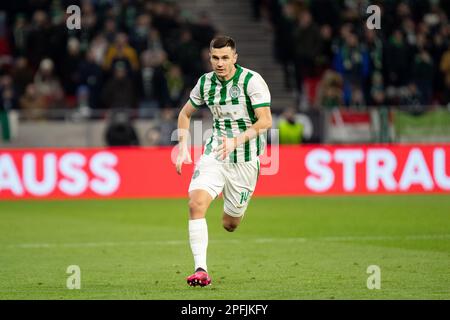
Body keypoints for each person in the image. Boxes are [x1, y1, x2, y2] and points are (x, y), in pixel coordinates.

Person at [175, 36, 272, 287]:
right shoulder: (205, 83)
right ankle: (200, 270)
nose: (220, 63)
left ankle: (229, 199)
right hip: (215, 153)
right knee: (195, 203)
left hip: (246, 160)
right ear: (210, 58)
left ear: (235, 58)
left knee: (230, 224)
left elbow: (265, 121)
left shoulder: (252, 81)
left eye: (225, 57)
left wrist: (237, 141)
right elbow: (185, 113)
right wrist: (182, 144)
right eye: (215, 58)